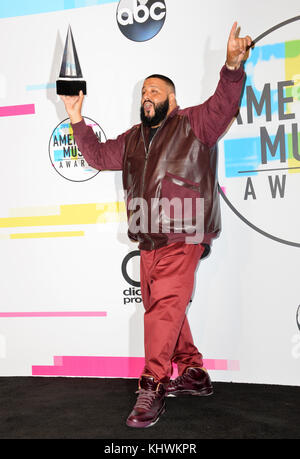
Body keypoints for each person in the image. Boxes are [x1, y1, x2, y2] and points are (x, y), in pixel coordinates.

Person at [60, 22, 252, 428]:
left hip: (184, 236)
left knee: (163, 308)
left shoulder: (195, 124)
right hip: (147, 239)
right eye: (143, 92)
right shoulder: (131, 139)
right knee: (165, 308)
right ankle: (194, 373)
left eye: (154, 91)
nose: (146, 97)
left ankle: (153, 384)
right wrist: (75, 117)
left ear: (172, 99)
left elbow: (223, 104)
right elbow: (95, 155)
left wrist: (232, 67)